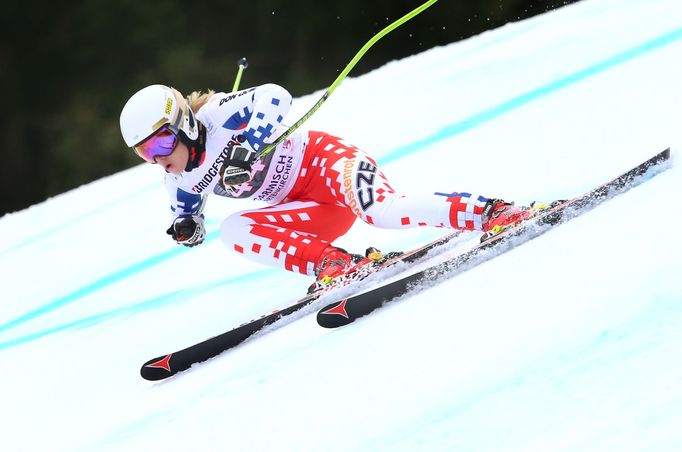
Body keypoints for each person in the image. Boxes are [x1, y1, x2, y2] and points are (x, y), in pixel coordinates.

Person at [119, 83, 536, 290]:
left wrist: (248, 145)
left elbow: (274, 96)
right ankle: (333, 264)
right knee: (234, 232)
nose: (156, 157)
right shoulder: (179, 179)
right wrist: (188, 229)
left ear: (183, 123)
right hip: (308, 210)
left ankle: (491, 212)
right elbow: (187, 217)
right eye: (143, 152)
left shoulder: (217, 115)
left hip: (326, 163)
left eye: (160, 141)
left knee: (384, 212)